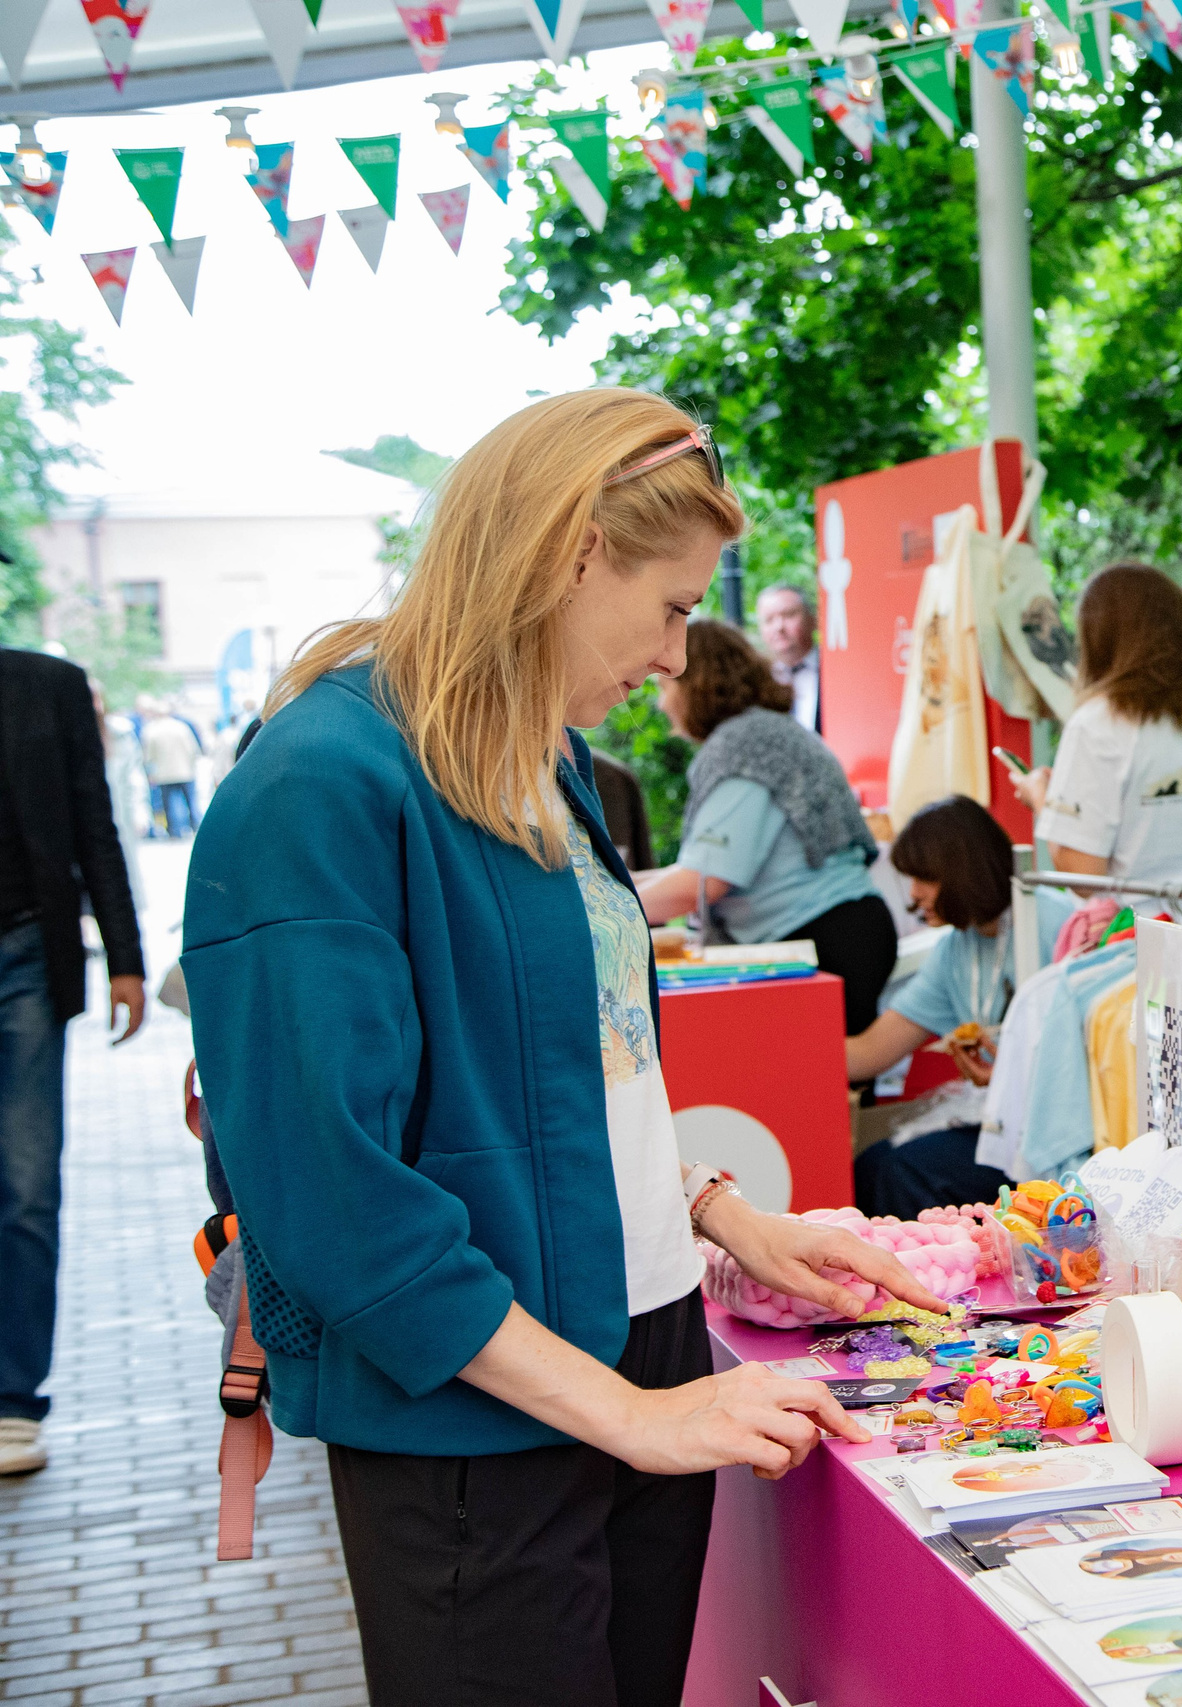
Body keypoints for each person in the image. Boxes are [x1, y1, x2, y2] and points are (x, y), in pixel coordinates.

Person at [183, 389, 941, 1707]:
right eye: (667, 606)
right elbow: (331, 1194)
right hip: (483, 1408)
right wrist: (630, 1413)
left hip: (639, 1346)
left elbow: (578, 1071)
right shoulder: (321, 781)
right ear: (568, 549)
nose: (673, 655)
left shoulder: (550, 758)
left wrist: (721, 1216)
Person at [0, 649, 145, 1477]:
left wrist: (123, 955)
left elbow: (96, 822)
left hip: (25, 951)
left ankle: (13, 1399)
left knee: (26, 1185)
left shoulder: (44, 685)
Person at [635, 620, 895, 1057]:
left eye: (664, 688)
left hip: (822, 940)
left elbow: (703, 881)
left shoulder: (746, 746)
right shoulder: (770, 734)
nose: (662, 705)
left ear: (695, 683)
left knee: (809, 1105)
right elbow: (705, 868)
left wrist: (599, 902)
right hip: (847, 930)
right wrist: (616, 880)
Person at [844, 795, 1072, 1218]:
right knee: (869, 1166)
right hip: (998, 1122)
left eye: (923, 878)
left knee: (902, 1171)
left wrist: (1010, 1070)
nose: (914, 895)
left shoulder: (1053, 921)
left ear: (960, 871)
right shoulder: (955, 948)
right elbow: (871, 1053)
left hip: (1053, 1132)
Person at [1010, 562, 1182, 919]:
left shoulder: (1098, 723)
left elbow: (1083, 875)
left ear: (1098, 638)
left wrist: (1042, 799)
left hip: (1145, 948)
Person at [757, 582, 821, 732]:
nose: (779, 627)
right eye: (769, 620)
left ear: (813, 619)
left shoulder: (836, 669)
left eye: (789, 615)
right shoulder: (756, 680)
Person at [140, 696, 203, 837]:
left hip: (164, 774)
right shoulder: (181, 727)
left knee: (168, 804)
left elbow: (148, 756)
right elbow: (193, 749)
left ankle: (174, 831)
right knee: (190, 801)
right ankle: (195, 827)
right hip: (185, 771)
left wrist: (150, 773)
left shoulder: (151, 730)